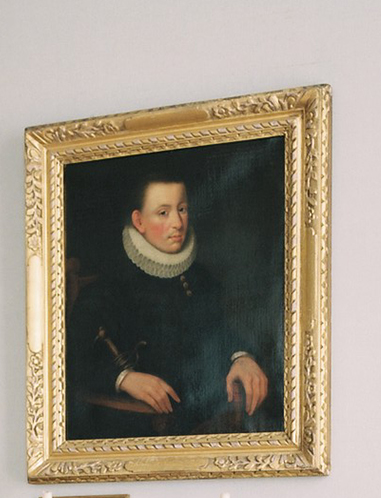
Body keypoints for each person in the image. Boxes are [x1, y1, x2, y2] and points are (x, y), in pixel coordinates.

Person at [67, 171, 272, 439]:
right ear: (138, 221)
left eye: (182, 209)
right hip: (140, 426)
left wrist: (241, 356)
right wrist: (123, 378)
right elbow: (70, 358)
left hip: (204, 414)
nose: (177, 222)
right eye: (163, 213)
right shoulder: (113, 281)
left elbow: (218, 327)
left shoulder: (199, 276)